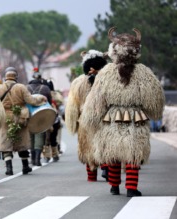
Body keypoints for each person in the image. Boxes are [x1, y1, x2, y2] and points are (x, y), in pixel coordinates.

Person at [81, 27, 165, 197]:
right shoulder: (144, 73)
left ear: (114, 50)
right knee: (133, 154)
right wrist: (153, 112)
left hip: (110, 119)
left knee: (113, 153)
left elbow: (96, 100)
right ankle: (131, 188)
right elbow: (155, 100)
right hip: (136, 119)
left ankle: (114, 186)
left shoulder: (105, 73)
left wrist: (90, 120)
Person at [65, 49, 108, 182]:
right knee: (106, 145)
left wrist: (73, 124)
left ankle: (92, 174)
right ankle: (106, 168)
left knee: (88, 146)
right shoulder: (108, 80)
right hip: (105, 118)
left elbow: (72, 106)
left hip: (84, 120)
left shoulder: (78, 83)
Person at [0, 67, 47, 175]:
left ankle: (9, 168)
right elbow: (31, 100)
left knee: (6, 142)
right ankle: (25, 166)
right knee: (22, 141)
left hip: (5, 117)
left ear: (5, 77)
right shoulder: (21, 87)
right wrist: (41, 99)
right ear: (16, 77)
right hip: (20, 117)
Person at [27, 67, 53, 165]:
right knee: (40, 135)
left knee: (30, 136)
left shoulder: (26, 87)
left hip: (30, 115)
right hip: (42, 114)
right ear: (40, 78)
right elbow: (49, 102)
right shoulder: (45, 88)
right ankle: (37, 160)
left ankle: (32, 159)